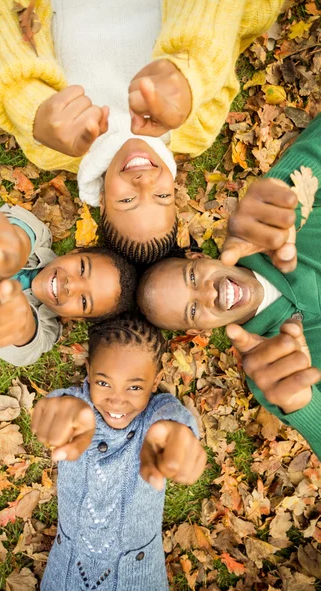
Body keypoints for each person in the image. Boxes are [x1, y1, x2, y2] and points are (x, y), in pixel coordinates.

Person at [0, 0, 284, 263]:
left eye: (127, 201)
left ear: (101, 200)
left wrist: (29, 103)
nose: (144, 183)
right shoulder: (197, 127)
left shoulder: (51, 146)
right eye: (161, 197)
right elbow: (243, 17)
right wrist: (192, 73)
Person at [137, 114, 321, 458]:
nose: (209, 293)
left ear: (197, 258)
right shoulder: (273, 368)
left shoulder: (273, 222)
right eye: (192, 309)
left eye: (192, 279)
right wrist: (305, 410)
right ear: (198, 330)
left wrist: (285, 187)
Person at [31, 313, 206, 591]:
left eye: (134, 387)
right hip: (64, 578)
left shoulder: (155, 415)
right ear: (88, 372)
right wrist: (59, 408)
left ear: (155, 380)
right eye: (103, 383)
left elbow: (172, 417)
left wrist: (178, 431)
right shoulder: (80, 407)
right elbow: (67, 404)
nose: (117, 399)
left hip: (138, 583)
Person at [0, 185, 137, 397]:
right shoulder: (39, 239)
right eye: (81, 268)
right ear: (75, 251)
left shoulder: (43, 331)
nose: (71, 285)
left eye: (83, 301)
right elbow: (21, 229)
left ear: (78, 317)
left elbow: (25, 347)